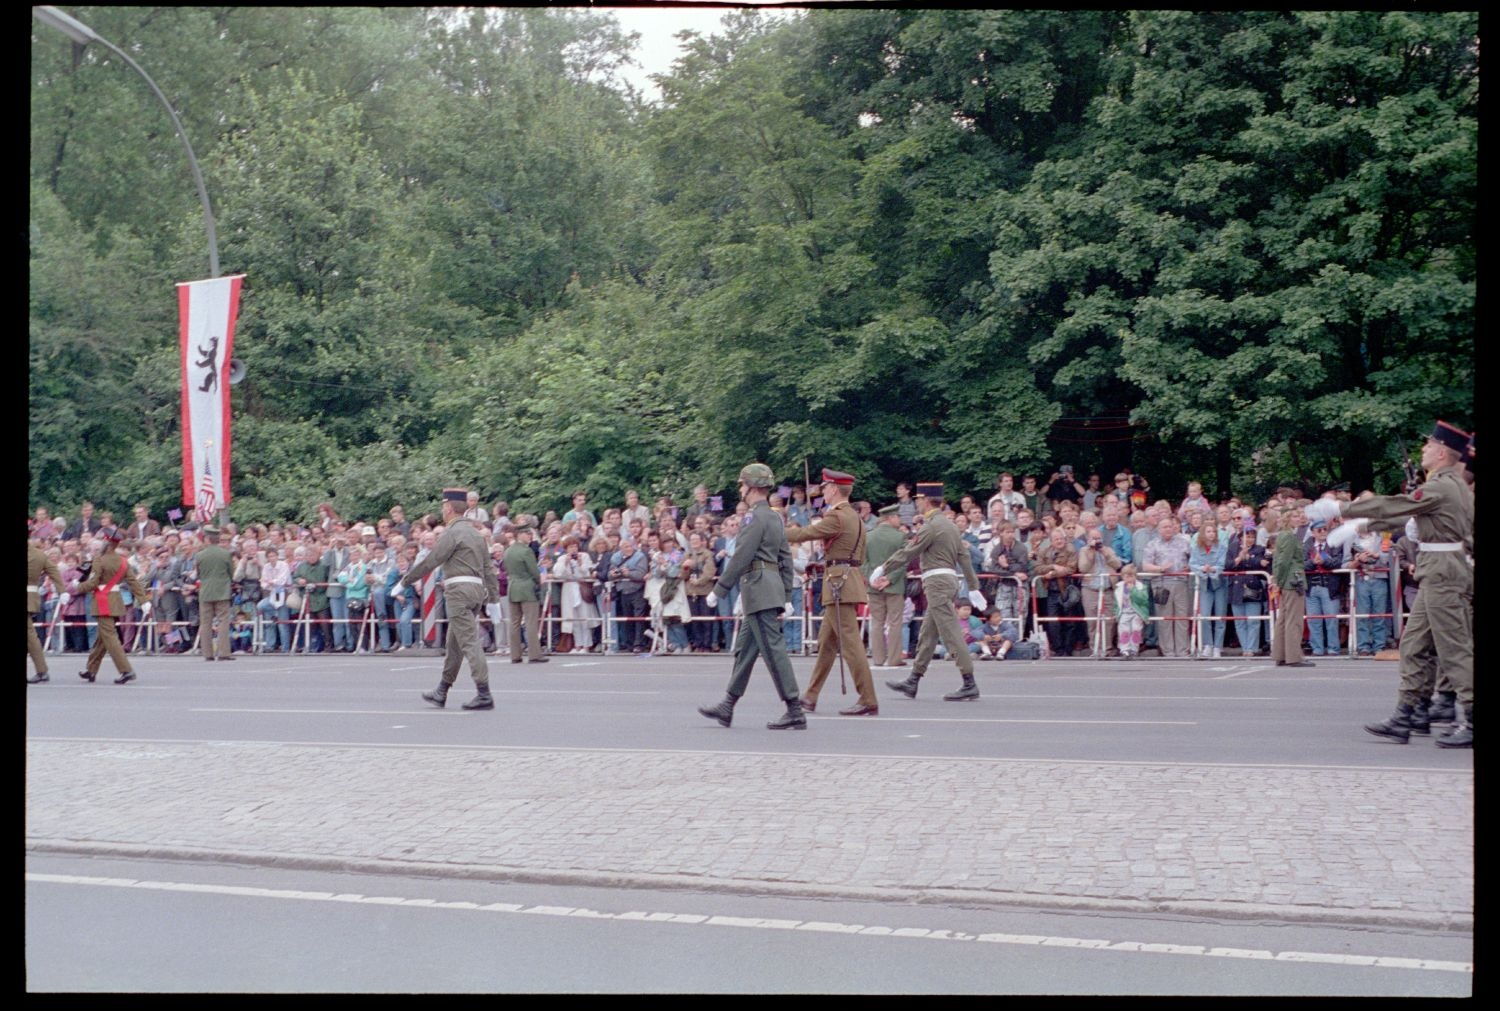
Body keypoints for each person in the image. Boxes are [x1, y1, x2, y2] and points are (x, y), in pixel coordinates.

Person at [1318, 421, 1474, 746]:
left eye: (1429, 445)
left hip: (1443, 573)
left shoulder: (1443, 485)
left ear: (1443, 452)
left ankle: (1470, 717)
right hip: (1437, 572)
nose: (1423, 450)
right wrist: (1363, 524)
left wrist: (1344, 510)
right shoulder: (1447, 485)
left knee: (1454, 648)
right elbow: (1407, 514)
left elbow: (1400, 505)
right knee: (1414, 644)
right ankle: (1406, 714)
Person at [697, 463, 805, 730]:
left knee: (773, 651)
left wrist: (720, 589)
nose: (741, 489)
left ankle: (794, 708)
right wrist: (787, 594)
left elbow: (742, 555)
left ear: (753, 487)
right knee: (744, 651)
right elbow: (784, 559)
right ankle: (728, 704)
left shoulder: (754, 517)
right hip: (766, 589)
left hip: (758, 590)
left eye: (743, 484)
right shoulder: (773, 517)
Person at [873, 483, 988, 702]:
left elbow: (910, 551)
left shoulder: (931, 526)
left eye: (919, 499)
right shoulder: (951, 525)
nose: (917, 502)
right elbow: (963, 556)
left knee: (951, 632)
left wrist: (884, 567)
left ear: (926, 500)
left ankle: (969, 682)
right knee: (928, 634)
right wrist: (973, 586)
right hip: (947, 581)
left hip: (936, 582)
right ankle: (913, 680)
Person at [785, 467, 880, 716]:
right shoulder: (854, 517)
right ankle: (810, 696)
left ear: (835, 489)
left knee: (851, 645)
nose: (823, 491)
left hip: (839, 584)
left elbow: (806, 533)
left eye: (825, 487)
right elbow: (850, 554)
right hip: (845, 580)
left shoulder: (836, 517)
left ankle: (868, 699)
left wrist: (775, 532)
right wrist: (823, 563)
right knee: (827, 645)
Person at [402, 488, 502, 710]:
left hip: (458, 590)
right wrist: (493, 599)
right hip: (476, 590)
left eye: (443, 507)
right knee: (454, 643)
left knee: (468, 642)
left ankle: (484, 693)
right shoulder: (476, 534)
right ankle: (442, 690)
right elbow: (488, 569)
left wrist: (405, 581)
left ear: (448, 508)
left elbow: (432, 561)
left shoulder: (451, 533)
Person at [75, 527, 147, 684]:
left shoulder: (99, 560)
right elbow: (133, 582)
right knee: (103, 639)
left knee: (110, 638)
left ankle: (126, 670)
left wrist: (78, 586)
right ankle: (91, 670)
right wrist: (143, 600)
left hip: (103, 601)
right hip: (115, 601)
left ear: (106, 542)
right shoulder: (122, 561)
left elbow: (93, 582)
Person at [864, 504, 908, 669]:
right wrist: (889, 579)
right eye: (897, 517)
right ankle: (894, 657)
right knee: (895, 622)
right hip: (894, 586)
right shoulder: (900, 537)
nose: (899, 520)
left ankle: (878, 657)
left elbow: (862, 561)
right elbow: (904, 560)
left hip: (873, 586)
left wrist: (872, 579)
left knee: (876, 621)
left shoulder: (868, 536)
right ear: (890, 518)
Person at [1269, 506, 1313, 668]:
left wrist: (1277, 581)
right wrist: (1278, 581)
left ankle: (1280, 654)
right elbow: (1283, 561)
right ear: (1288, 518)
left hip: (1286, 580)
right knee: (1293, 620)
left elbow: (1279, 561)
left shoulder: (1283, 536)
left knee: (1283, 619)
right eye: (1295, 516)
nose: (1298, 518)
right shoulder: (1290, 537)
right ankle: (1294, 656)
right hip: (1293, 580)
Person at [1142, 516, 1193, 657]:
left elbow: (1194, 560)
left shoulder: (1184, 542)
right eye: (1164, 527)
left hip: (1181, 583)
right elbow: (1145, 565)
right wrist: (1160, 568)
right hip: (1161, 584)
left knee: (1182, 618)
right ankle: (1168, 651)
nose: (1168, 529)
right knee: (1165, 619)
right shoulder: (1152, 544)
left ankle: (1183, 650)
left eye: (1170, 526)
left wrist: (1189, 567)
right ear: (1158, 529)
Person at [504, 522, 549, 664]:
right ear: (519, 535)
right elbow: (534, 572)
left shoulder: (508, 551)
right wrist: (538, 579)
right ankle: (534, 654)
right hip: (527, 588)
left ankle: (515, 654)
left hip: (513, 587)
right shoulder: (526, 551)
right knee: (530, 622)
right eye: (527, 533)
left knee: (514, 623)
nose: (529, 536)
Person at [28, 529, 66, 683]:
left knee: (30, 636)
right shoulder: (39, 555)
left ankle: (42, 671)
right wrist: (62, 590)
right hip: (32, 597)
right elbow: (54, 572)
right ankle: (42, 670)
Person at [1302, 520, 1344, 657]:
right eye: (1319, 530)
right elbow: (1301, 564)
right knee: (1314, 621)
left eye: (1325, 529)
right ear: (1313, 532)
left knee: (1331, 620)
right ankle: (1317, 649)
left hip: (1329, 587)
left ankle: (1333, 648)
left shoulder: (1335, 544)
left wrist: (1324, 561)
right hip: (1311, 587)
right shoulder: (1306, 546)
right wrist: (1313, 562)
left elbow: (1338, 562)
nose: (1322, 532)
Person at [196, 525, 237, 663]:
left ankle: (207, 653)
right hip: (222, 591)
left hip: (206, 591)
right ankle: (224, 652)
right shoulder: (225, 554)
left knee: (206, 623)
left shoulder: (200, 555)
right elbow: (231, 572)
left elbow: (198, 574)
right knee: (223, 621)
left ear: (207, 539)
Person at [1189, 522, 1228, 659]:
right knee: (1204, 616)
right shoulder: (1196, 548)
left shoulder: (1221, 548)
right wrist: (1202, 569)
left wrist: (1213, 570)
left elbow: (1222, 565)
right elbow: (1192, 564)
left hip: (1219, 584)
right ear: (1203, 534)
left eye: (1213, 531)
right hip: (1205, 584)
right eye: (1208, 531)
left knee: (1220, 617)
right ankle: (1208, 645)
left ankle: (1218, 646)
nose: (1211, 534)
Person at [1114, 564, 1150, 659]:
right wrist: (1116, 612)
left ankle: (1134, 649)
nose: (1129, 578)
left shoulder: (1140, 587)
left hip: (1137, 613)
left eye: (1131, 576)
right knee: (1124, 631)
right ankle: (1124, 650)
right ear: (1122, 577)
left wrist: (1133, 590)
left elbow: (1143, 599)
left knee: (1136, 630)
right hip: (1124, 612)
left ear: (1135, 576)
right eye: (1126, 576)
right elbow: (1116, 602)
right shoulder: (1119, 588)